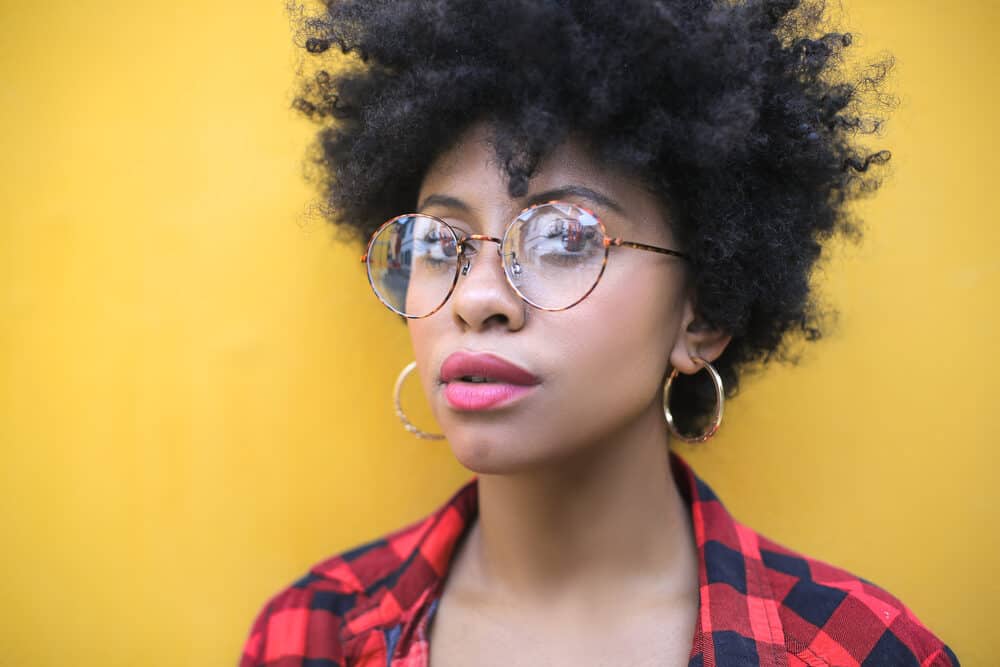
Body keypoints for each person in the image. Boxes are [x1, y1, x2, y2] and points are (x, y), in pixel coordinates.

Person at [241, 1, 958, 665]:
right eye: (438, 243)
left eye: (561, 236)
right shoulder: (309, 633)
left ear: (701, 315)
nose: (477, 298)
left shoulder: (860, 648)